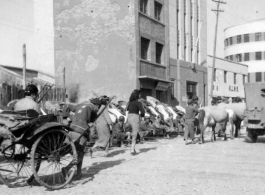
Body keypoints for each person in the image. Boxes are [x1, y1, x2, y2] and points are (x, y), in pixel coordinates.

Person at [62, 98, 103, 180]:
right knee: (80, 154)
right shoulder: (92, 108)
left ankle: (79, 173)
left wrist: (65, 118)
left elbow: (66, 105)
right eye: (98, 107)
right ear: (97, 105)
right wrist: (90, 123)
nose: (98, 109)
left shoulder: (80, 105)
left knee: (78, 153)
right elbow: (91, 121)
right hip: (81, 133)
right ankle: (66, 169)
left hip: (71, 130)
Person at [126, 89, 145, 155]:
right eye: (139, 94)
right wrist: (142, 116)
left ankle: (132, 148)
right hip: (135, 117)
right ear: (137, 95)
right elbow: (142, 111)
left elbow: (127, 109)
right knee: (135, 134)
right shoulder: (138, 102)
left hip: (129, 117)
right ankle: (132, 150)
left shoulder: (129, 102)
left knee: (132, 132)